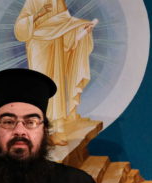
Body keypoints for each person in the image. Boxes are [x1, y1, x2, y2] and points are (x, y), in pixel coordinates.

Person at [14, 0, 97, 144]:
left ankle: (56, 130)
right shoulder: (33, 1)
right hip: (39, 46)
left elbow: (65, 24)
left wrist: (81, 31)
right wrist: (38, 15)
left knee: (56, 87)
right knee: (41, 86)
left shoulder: (59, 1)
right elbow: (20, 29)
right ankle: (39, 130)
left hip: (56, 44)